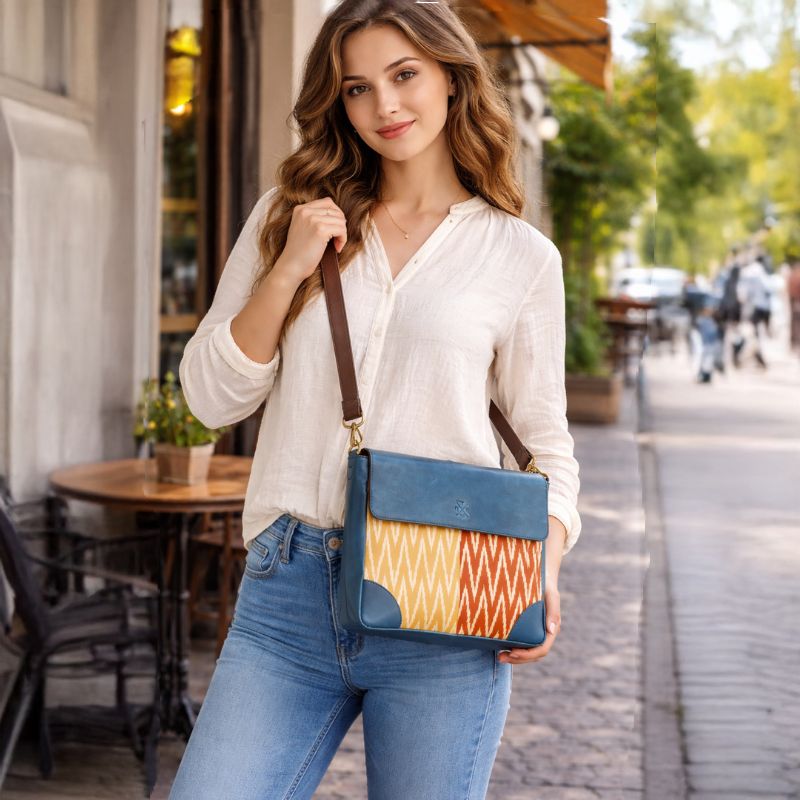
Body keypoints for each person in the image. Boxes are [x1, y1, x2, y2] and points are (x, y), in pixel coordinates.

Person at [169, 2, 581, 798]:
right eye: (358, 89)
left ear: (453, 79)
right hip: (289, 592)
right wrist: (290, 267)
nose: (384, 107)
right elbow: (209, 400)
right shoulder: (287, 220)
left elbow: (546, 443)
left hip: (448, 596)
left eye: (405, 76)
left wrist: (546, 566)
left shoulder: (519, 256)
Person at [738, 252, 772, 368]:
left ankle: (757, 356)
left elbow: (742, 294)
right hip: (760, 307)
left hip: (751, 307)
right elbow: (768, 289)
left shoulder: (748, 272)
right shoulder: (761, 272)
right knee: (754, 333)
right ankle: (757, 356)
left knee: (751, 333)